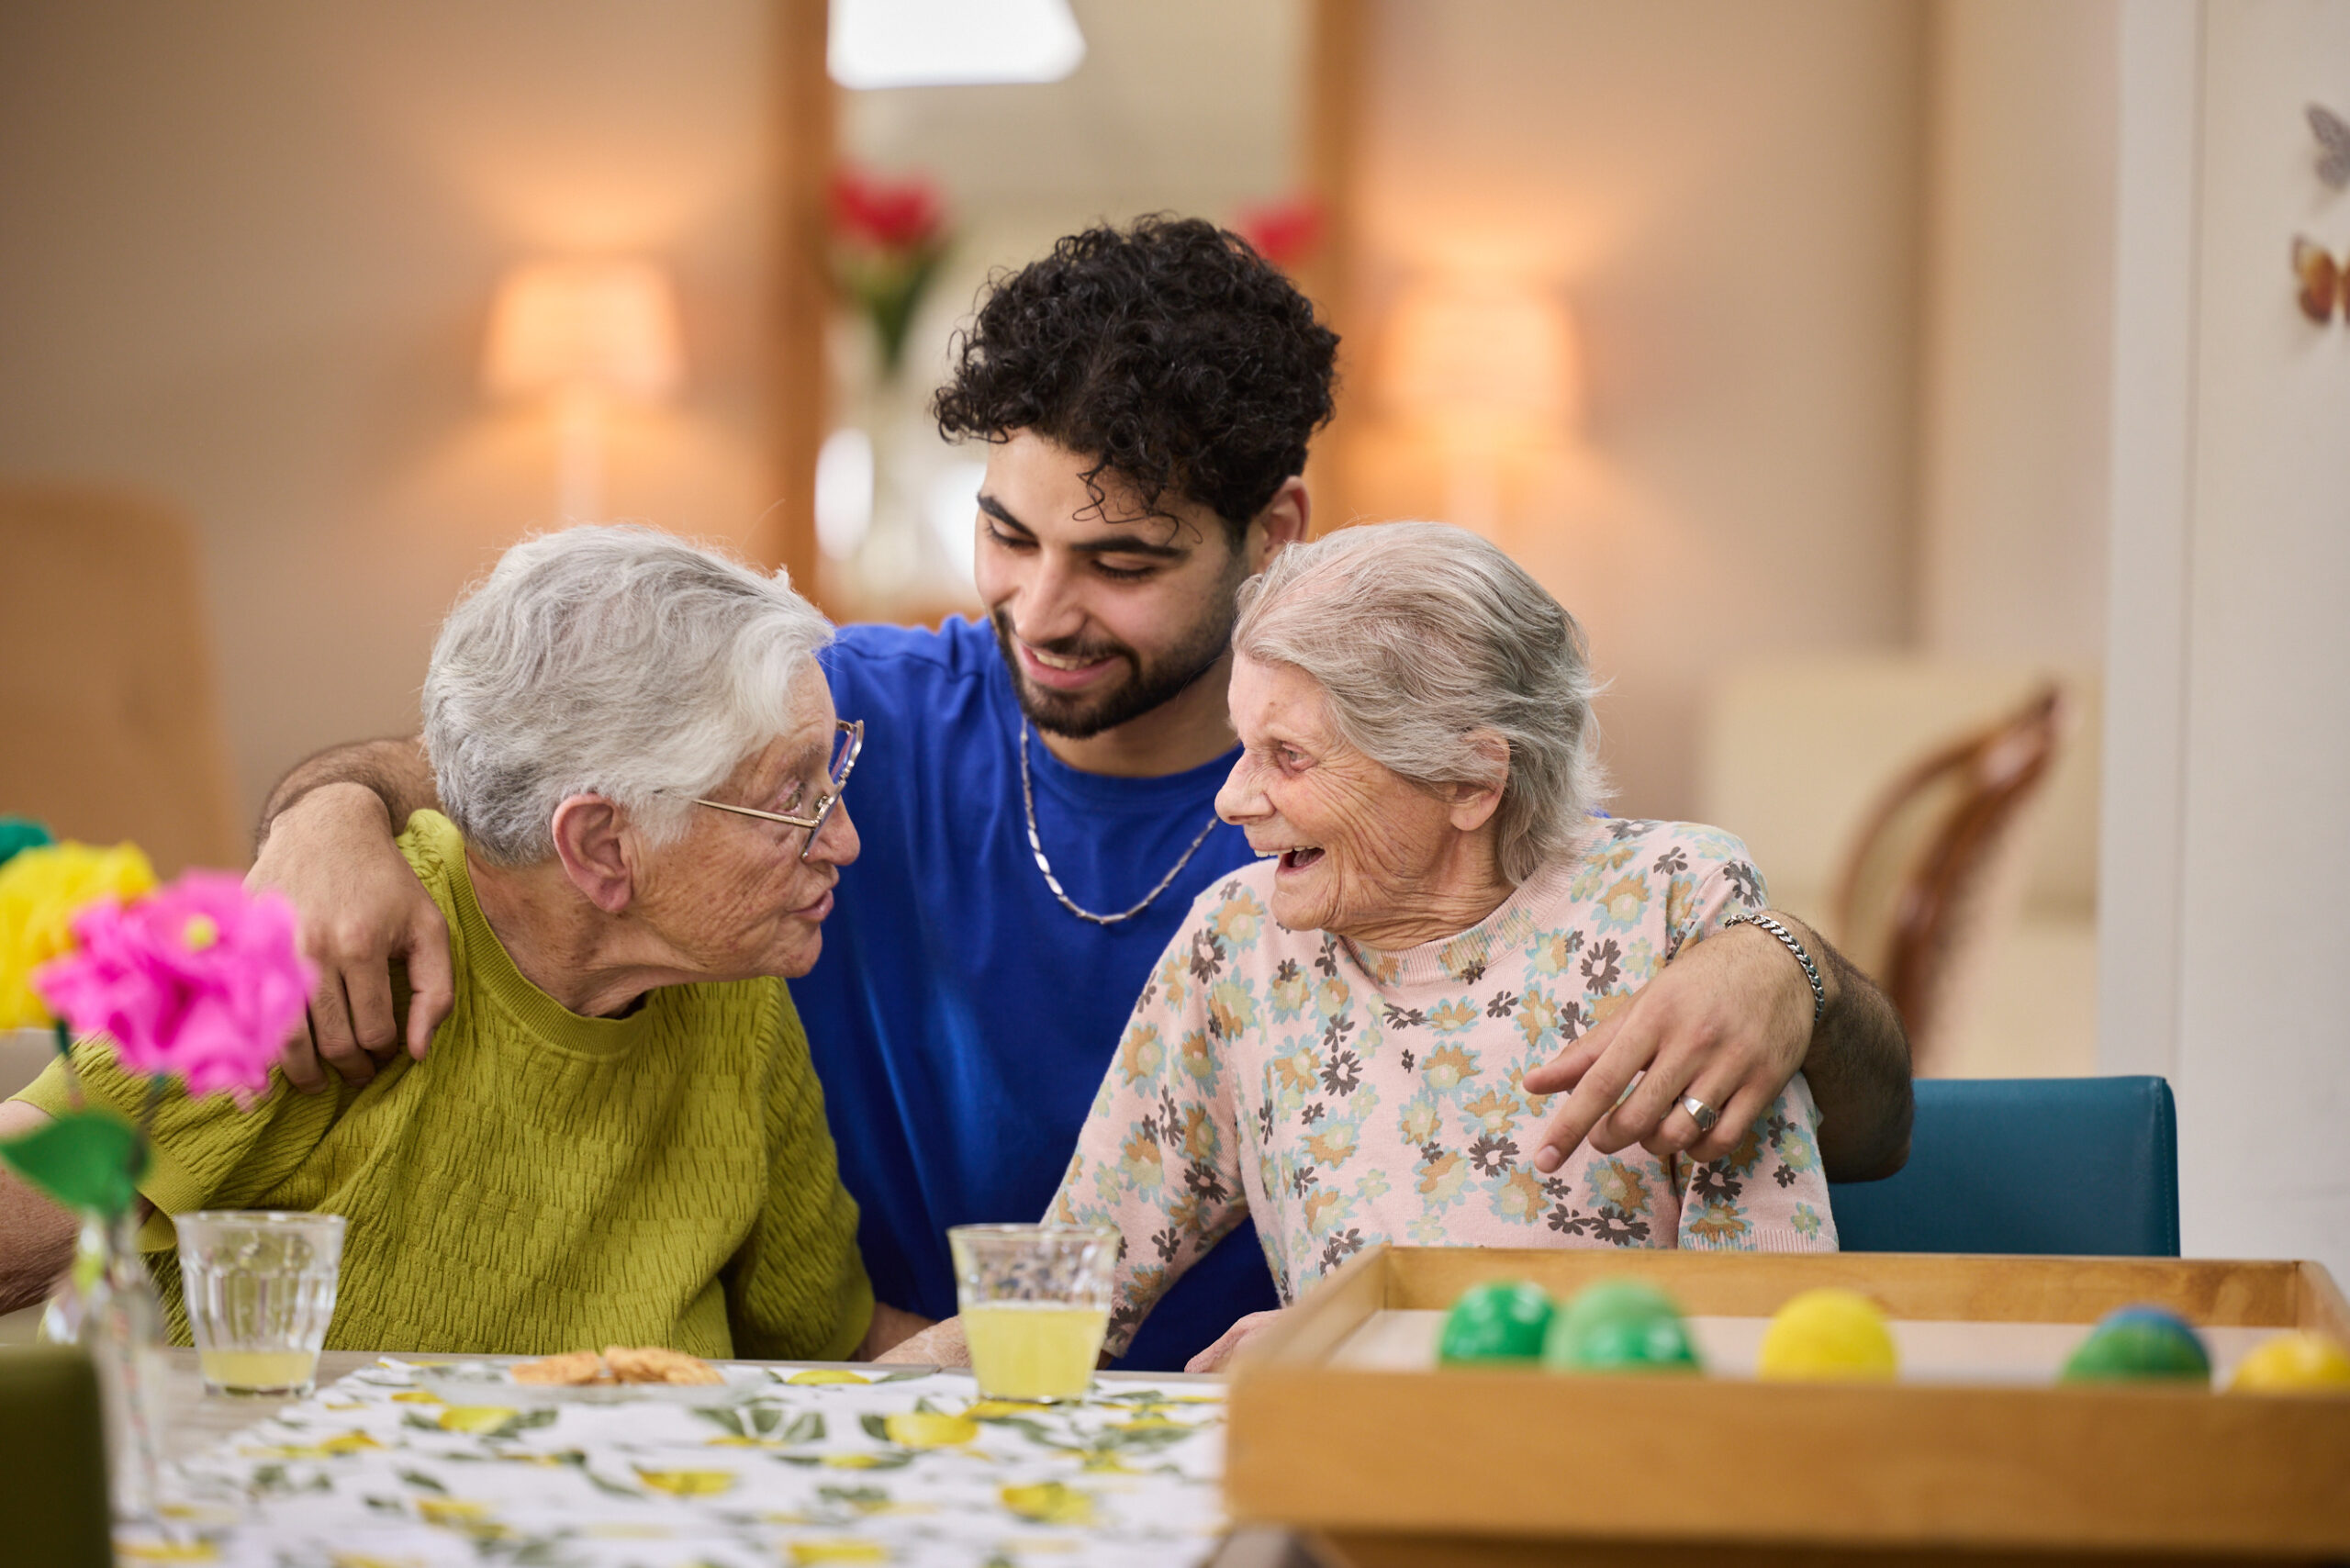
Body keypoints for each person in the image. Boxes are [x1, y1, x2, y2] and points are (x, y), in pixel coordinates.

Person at [244, 218, 1912, 1371]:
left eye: (1121, 559)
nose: (1043, 608)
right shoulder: (848, 724)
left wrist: (1785, 961)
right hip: (968, 1418)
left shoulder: (1406, 809)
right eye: (1010, 535)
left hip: (1302, 1455)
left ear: (1275, 535)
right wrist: (323, 817)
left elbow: (1862, 1112)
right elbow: (530, 765)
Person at [896, 522, 1839, 1372]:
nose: (1231, 799)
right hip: (1352, 1486)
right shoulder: (1239, 940)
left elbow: (1767, 1320)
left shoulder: (1674, 904)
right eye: (1241, 744)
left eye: (1289, 756)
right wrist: (851, 1409)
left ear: (1472, 779)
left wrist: (1388, 1343)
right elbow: (1069, 1287)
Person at [0, 527, 902, 1361]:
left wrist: (977, 1356)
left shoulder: (732, 983)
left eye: (832, 771)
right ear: (599, 846)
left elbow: (825, 1346)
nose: (844, 839)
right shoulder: (332, 951)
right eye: (792, 795)